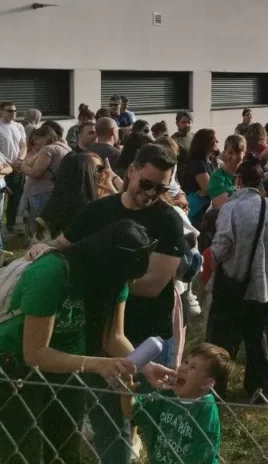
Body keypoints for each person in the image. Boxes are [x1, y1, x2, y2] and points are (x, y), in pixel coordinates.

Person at [0, 220, 173, 464]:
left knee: (65, 453)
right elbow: (35, 353)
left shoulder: (116, 279)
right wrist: (97, 364)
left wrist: (145, 366)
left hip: (68, 371)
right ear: (102, 263)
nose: (127, 285)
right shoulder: (52, 273)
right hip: (15, 371)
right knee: (25, 454)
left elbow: (112, 337)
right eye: (123, 279)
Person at [55, 143, 185, 462]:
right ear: (131, 172)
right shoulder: (97, 212)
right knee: (108, 423)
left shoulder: (169, 221)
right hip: (100, 336)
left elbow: (155, 284)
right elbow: (61, 248)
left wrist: (96, 282)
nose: (152, 193)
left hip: (147, 338)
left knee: (151, 420)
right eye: (147, 183)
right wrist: (37, 254)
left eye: (161, 187)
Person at [207, 159, 268, 399]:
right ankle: (259, 388)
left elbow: (220, 250)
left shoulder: (230, 209)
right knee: (259, 340)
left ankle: (216, 387)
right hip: (264, 285)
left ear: (238, 181)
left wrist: (212, 272)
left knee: (222, 340)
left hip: (233, 284)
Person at [125, 344, 230, 464]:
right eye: (185, 362)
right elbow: (133, 413)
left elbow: (203, 456)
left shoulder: (206, 411)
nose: (183, 368)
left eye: (193, 367)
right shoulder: (167, 395)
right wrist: (126, 395)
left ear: (207, 383)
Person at [17, 123, 72, 243]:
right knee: (53, 228)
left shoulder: (48, 149)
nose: (35, 141)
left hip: (41, 192)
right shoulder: (65, 147)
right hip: (56, 191)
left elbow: (36, 172)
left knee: (39, 230)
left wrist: (20, 166)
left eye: (38, 138)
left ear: (47, 136)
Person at [0, 101, 27, 237]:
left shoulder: (19, 126)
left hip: (17, 167)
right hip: (3, 168)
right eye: (9, 110)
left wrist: (20, 160)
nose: (13, 113)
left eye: (15, 111)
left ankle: (11, 224)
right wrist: (9, 163)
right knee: (0, 198)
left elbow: (23, 145)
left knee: (16, 197)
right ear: (1, 111)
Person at [181, 129, 218, 223]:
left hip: (208, 206)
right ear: (205, 144)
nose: (217, 141)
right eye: (214, 139)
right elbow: (209, 189)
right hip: (199, 210)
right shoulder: (198, 163)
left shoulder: (211, 161)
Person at [207, 134, 246, 211]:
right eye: (230, 153)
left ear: (244, 153)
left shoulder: (250, 173)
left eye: (238, 153)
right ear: (224, 152)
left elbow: (261, 197)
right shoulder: (217, 177)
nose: (234, 157)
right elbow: (224, 208)